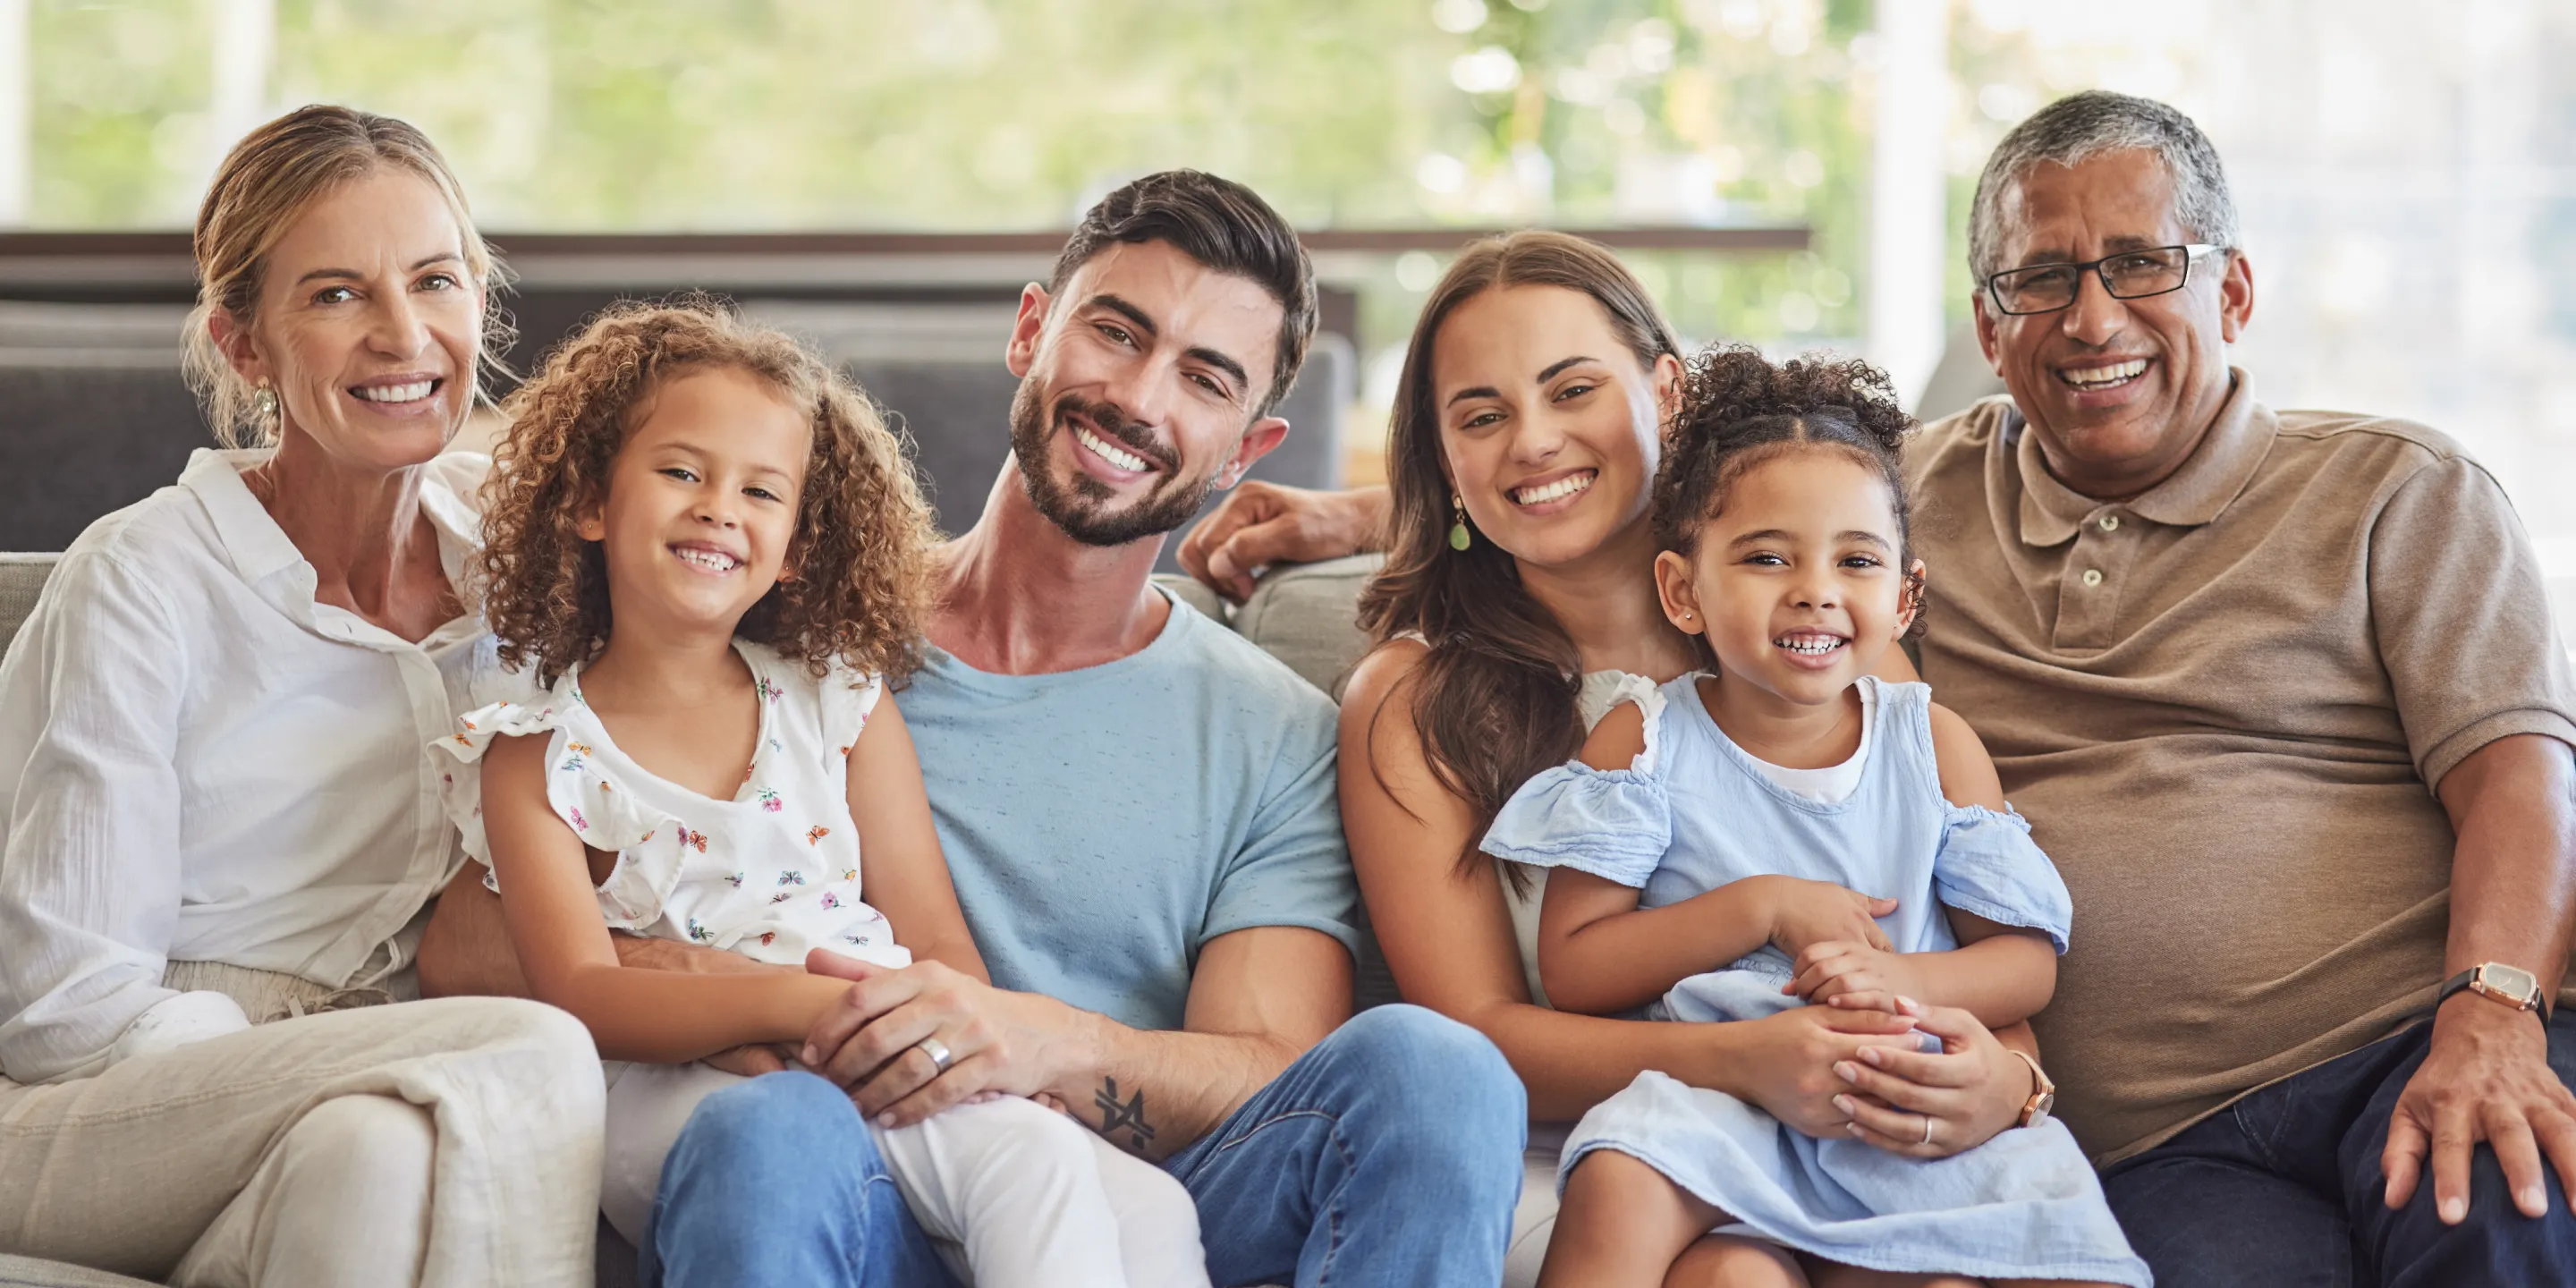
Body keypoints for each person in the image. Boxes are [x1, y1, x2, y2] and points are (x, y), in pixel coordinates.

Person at [1182, 91, 2576, 1285]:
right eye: (2043, 280)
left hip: (2159, 1076)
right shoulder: (1461, 687)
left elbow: (2521, 771)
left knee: (2490, 1195)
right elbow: (1591, 483)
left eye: (2142, 263)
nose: (2091, 319)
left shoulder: (1842, 615)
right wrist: (1366, 521)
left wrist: (2018, 1069)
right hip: (1748, 1139)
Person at [420, 170, 1529, 1288]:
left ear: (1247, 447)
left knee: (1439, 1069)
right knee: (770, 1134)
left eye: (1204, 377)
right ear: (1033, 330)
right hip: (834, 1173)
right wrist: (705, 989)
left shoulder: (1273, 730)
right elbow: (472, 935)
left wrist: (1052, 1042)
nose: (1140, 398)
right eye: (1116, 331)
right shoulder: (773, 620)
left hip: (1116, 1198)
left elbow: (1266, 1069)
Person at [1237, 232, 2047, 1285]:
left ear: (1665, 393)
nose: (1533, 441)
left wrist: (2015, 1083)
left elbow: (1944, 920)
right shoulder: (1413, 697)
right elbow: (1473, 1042)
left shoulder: (1815, 629)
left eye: (1572, 390)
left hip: (1851, 1124)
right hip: (1580, 1162)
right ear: (1446, 458)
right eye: (1482, 417)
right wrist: (1745, 1065)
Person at [441, 300, 1209, 1286]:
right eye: (682, 472)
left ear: (800, 543)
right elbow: (581, 995)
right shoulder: (539, 753)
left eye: (763, 493)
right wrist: (793, 1008)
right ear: (591, 502)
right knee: (798, 1137)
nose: (720, 507)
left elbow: (934, 942)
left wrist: (976, 1052)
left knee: (1130, 1197)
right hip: (677, 1094)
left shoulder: (835, 701)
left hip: (868, 1041)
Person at [0, 105, 604, 1286]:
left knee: (375, 1157)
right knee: (529, 1050)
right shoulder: (144, 578)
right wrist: (321, 1052)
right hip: (85, 1105)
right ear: (245, 347)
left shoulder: (522, 583)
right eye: (335, 295)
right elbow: (63, 1007)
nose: (402, 333)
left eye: (435, 280)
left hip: (368, 1079)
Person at [1487, 348, 2140, 1288]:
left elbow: (2025, 964)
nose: (1815, 590)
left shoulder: (1933, 743)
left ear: (1904, 596)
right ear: (1683, 591)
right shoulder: (1644, 742)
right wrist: (1755, 908)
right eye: (1765, 557)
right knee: (1623, 1179)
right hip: (1720, 1100)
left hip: (1895, 1091)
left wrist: (1894, 980)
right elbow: (1578, 968)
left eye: (1856, 561)